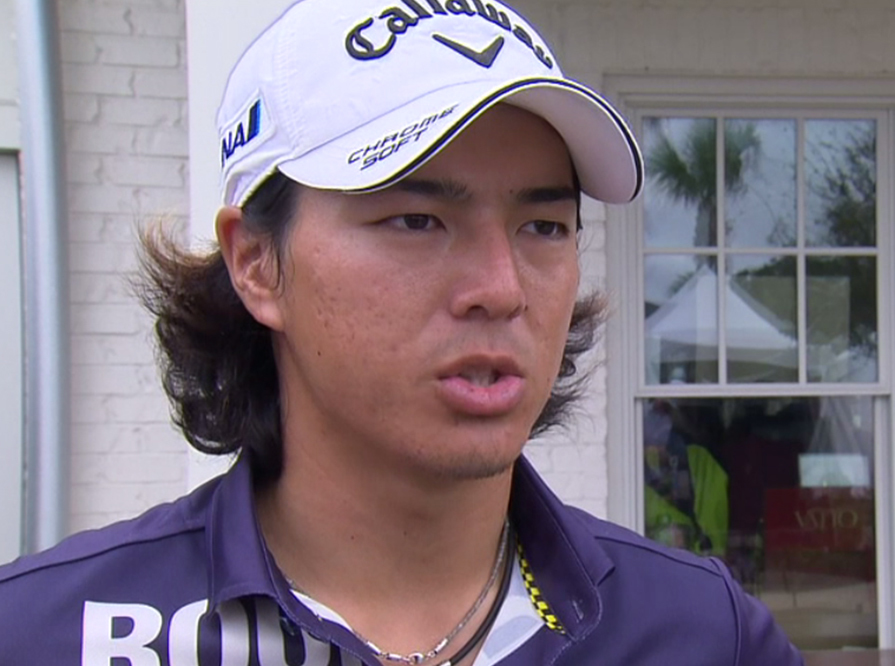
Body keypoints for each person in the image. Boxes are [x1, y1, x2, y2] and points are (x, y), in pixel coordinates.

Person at [0, 0, 803, 663]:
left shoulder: (704, 634)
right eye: (417, 220)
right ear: (256, 263)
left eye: (544, 227)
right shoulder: (47, 635)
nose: (501, 289)